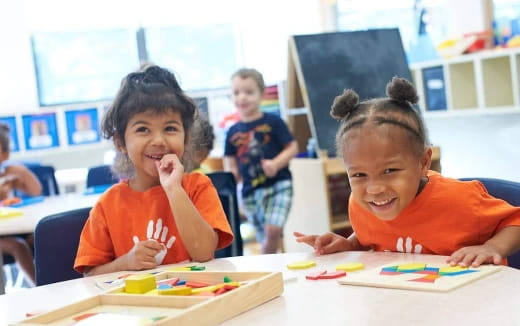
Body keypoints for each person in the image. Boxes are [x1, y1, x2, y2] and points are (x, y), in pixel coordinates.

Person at [294, 77, 520, 268]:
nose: (374, 189)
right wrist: (350, 244)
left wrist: (491, 247)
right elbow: (372, 235)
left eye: (389, 170)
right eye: (359, 175)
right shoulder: (361, 204)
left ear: (423, 162)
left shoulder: (460, 201)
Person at [74, 65, 234, 276]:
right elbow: (90, 275)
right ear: (121, 142)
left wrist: (174, 190)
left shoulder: (198, 187)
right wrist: (126, 262)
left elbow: (204, 252)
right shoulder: (108, 205)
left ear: (185, 138)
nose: (158, 140)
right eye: (143, 129)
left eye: (170, 128)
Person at [224, 68, 298, 254]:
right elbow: (230, 162)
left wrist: (275, 164)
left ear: (262, 94)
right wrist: (233, 179)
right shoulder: (232, 132)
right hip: (251, 193)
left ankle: (268, 267)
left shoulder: (273, 121)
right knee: (265, 237)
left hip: (279, 185)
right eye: (236, 92)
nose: (242, 97)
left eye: (249, 92)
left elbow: (292, 147)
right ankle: (272, 267)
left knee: (273, 230)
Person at [0, 123, 42, 286]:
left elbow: (36, 191)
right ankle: (39, 287)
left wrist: (22, 174)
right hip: (7, 238)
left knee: (38, 237)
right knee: (18, 246)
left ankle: (54, 281)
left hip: (10, 228)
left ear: (5, 154)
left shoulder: (8, 173)